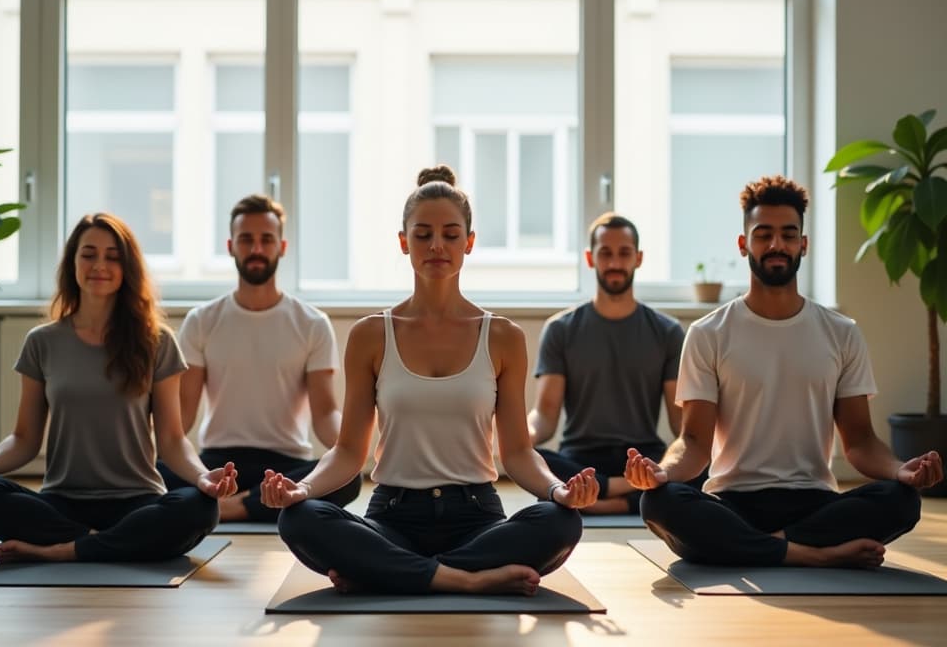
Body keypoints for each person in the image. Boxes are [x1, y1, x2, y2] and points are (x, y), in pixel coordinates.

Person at [261, 165, 599, 595]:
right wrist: (302, 489)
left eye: (451, 234)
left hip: (476, 518)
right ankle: (463, 580)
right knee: (299, 518)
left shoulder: (503, 337)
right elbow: (348, 451)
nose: (436, 245)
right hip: (393, 516)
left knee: (560, 521)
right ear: (404, 242)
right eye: (422, 235)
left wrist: (557, 490)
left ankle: (389, 572)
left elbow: (516, 453)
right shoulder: (369, 335)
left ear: (469, 243)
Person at [625, 175, 944, 568]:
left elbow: (860, 441)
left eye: (788, 235)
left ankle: (761, 548)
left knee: (902, 501)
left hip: (813, 502)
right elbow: (693, 441)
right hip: (734, 500)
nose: (777, 245)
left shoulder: (841, 333)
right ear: (744, 245)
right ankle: (810, 554)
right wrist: (662, 472)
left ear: (803, 245)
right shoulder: (708, 333)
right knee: (660, 500)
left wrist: (901, 470)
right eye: (763, 235)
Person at [0, 213, 238, 563]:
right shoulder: (42, 342)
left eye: (112, 256)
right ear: (72, 262)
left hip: (137, 500)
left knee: (199, 508)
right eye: (88, 254)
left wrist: (203, 480)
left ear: (127, 268)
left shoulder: (157, 342)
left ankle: (65, 550)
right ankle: (107, 544)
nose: (100, 265)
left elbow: (171, 440)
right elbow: (24, 439)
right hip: (62, 503)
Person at [158, 195, 361, 522]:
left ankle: (227, 508)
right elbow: (183, 413)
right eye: (246, 239)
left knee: (348, 478)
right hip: (219, 465)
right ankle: (256, 504)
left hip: (286, 464)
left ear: (281, 247)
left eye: (266, 239)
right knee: (154, 471)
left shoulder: (312, 323)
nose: (256, 249)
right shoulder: (202, 320)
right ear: (230, 246)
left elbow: (324, 414)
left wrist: (353, 446)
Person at [528, 212, 687, 515]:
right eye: (606, 253)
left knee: (694, 467)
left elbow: (682, 423)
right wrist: (522, 438)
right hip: (580, 458)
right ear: (590, 258)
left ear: (638, 258)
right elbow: (545, 415)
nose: (615, 263)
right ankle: (625, 497)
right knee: (534, 461)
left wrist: (700, 450)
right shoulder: (561, 329)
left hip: (641, 458)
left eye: (624, 253)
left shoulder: (667, 331)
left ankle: (594, 499)